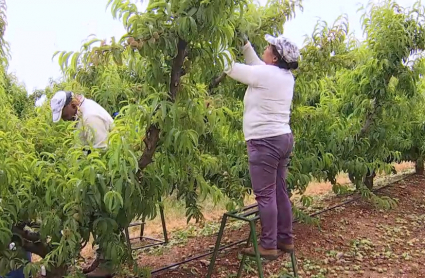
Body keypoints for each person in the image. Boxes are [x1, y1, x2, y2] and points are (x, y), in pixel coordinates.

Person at [222, 34, 300, 260]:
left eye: (268, 47)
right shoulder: (285, 76)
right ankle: (285, 239)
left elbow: (229, 67)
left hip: (264, 142)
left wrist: (217, 44)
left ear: (275, 58)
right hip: (282, 138)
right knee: (279, 191)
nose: (265, 48)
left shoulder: (266, 74)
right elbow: (257, 65)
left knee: (265, 195)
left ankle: (268, 245)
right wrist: (245, 44)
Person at [50, 90, 114, 277]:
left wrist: (89, 186)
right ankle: (102, 257)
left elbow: (103, 155)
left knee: (100, 214)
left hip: (106, 178)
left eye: (64, 115)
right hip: (93, 175)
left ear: (72, 105)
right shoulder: (80, 115)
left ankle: (108, 265)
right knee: (86, 211)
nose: (64, 119)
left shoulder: (90, 116)